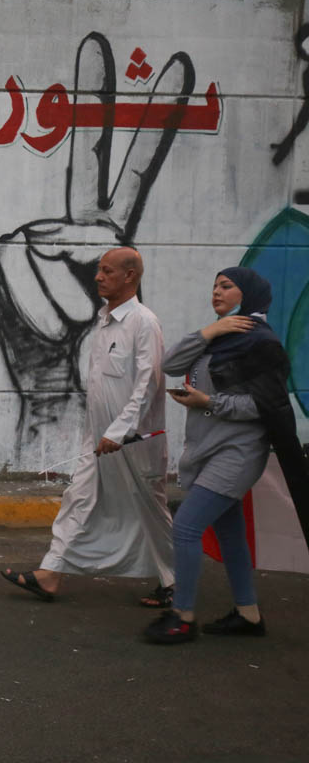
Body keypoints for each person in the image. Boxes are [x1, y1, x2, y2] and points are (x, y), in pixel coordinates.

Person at [144, 267, 309, 644]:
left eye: (226, 286)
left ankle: (182, 616)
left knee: (186, 526)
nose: (216, 291)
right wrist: (209, 331)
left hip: (238, 453)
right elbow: (170, 364)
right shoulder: (221, 338)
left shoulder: (260, 343)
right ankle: (248, 615)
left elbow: (266, 404)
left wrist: (210, 402)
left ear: (247, 295)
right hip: (209, 450)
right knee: (230, 532)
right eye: (214, 286)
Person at [1, 247, 174, 600]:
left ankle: (176, 583)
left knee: (149, 508)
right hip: (98, 436)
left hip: (132, 440)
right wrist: (100, 430)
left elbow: (148, 383)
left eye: (107, 271)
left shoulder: (143, 322)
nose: (97, 277)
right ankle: (50, 573)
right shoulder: (104, 319)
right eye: (99, 270)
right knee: (78, 497)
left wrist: (119, 431)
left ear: (129, 276)